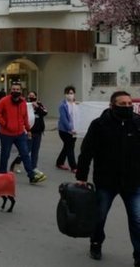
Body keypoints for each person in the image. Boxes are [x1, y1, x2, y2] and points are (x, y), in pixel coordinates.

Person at [76, 91, 140, 266]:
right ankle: (96, 243)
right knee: (99, 217)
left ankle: (138, 254)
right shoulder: (99, 125)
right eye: (122, 104)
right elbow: (86, 152)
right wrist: (81, 176)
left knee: (138, 220)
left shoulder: (137, 123)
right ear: (112, 106)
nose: (127, 107)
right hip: (106, 182)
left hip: (133, 182)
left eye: (129, 104)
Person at [0, 82, 46, 184]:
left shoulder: (23, 102)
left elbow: (25, 117)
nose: (15, 91)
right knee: (5, 155)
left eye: (17, 89)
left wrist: (28, 129)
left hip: (20, 134)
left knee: (25, 154)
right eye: (13, 89)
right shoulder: (4, 101)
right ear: (10, 90)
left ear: (21, 91)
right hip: (6, 134)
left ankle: (32, 176)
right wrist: (5, 124)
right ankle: (2, 176)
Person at [9, 91, 48, 173]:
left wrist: (37, 106)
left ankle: (34, 167)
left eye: (33, 96)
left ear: (36, 97)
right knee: (26, 150)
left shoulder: (39, 105)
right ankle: (16, 164)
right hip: (29, 132)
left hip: (38, 132)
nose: (31, 97)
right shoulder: (25, 105)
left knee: (35, 150)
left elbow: (44, 113)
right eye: (30, 96)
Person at [56, 85, 78, 172]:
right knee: (70, 147)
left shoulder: (75, 104)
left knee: (67, 147)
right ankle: (74, 167)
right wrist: (70, 129)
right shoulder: (63, 106)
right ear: (65, 94)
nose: (70, 95)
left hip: (75, 129)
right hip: (65, 131)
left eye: (71, 93)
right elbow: (64, 119)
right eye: (68, 93)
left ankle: (59, 162)